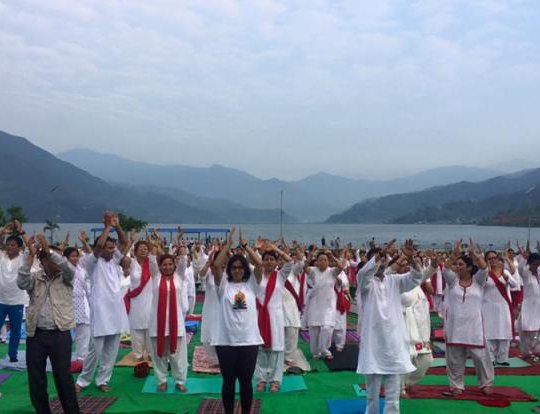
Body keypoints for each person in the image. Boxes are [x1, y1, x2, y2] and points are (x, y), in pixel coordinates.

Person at [356, 239, 428, 414]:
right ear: (370, 262)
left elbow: (416, 277)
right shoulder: (366, 283)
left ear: (387, 261)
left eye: (383, 259)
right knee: (372, 396)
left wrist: (411, 259)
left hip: (394, 344)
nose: (380, 262)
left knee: (393, 397)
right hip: (373, 345)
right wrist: (378, 257)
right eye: (376, 259)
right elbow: (364, 274)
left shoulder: (395, 281)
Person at [18, 233, 80, 414]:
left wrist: (48, 251)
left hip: (60, 334)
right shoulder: (35, 278)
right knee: (36, 378)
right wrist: (29, 257)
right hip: (35, 334)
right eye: (52, 259)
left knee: (63, 377)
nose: (58, 263)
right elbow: (21, 282)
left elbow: (67, 267)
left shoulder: (66, 277)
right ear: (43, 262)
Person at [76, 213, 129, 393]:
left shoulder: (114, 259)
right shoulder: (92, 261)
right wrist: (107, 226)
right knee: (94, 350)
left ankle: (103, 380)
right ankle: (83, 380)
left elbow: (125, 242)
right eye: (109, 247)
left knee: (111, 351)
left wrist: (117, 226)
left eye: (113, 247)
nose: (113, 250)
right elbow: (98, 246)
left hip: (116, 311)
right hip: (100, 313)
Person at [212, 228, 263, 414]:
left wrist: (245, 246)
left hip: (249, 340)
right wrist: (228, 245)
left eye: (241, 267)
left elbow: (259, 264)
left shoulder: (251, 284)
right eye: (234, 267)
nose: (237, 270)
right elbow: (216, 265)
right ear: (229, 270)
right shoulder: (223, 285)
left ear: (245, 269)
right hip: (226, 341)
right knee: (228, 381)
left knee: (246, 381)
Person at [442, 240, 494, 396]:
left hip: (474, 326)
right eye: (456, 265)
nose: (457, 267)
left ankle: (485, 383)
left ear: (470, 268)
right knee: (454, 358)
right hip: (455, 326)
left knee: (481, 357)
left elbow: (484, 268)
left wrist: (476, 255)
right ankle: (456, 385)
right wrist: (455, 254)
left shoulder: (478, 281)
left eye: (461, 265)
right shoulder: (452, 282)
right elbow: (446, 268)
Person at [246, 237, 293, 393]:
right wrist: (249, 248)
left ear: (276, 262)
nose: (269, 262)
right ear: (262, 261)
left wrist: (275, 248)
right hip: (259, 315)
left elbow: (290, 261)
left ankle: (275, 380)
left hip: (275, 317)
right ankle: (260, 379)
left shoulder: (280, 276)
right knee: (259, 349)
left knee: (277, 349)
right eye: (266, 259)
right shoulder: (256, 275)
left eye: (272, 260)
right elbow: (248, 261)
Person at [148, 253, 190, 392]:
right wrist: (152, 248)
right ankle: (162, 381)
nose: (167, 267)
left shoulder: (179, 277)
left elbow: (183, 263)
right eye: (164, 264)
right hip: (157, 324)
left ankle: (179, 381)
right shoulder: (155, 277)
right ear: (159, 266)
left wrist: (183, 250)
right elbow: (152, 260)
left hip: (176, 324)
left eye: (170, 264)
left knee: (178, 356)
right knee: (159, 356)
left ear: (174, 266)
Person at [304, 250, 347, 360]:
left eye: (325, 260)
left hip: (328, 304)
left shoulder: (332, 271)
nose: (323, 262)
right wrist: (309, 258)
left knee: (327, 327)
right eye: (320, 260)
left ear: (328, 261)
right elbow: (304, 268)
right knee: (314, 329)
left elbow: (341, 266)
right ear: (317, 262)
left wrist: (332, 255)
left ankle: (324, 350)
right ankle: (315, 352)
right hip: (315, 303)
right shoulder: (313, 271)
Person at [482, 251, 518, 365]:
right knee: (489, 332)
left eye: (494, 258)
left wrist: (504, 274)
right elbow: (480, 285)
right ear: (485, 260)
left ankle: (502, 359)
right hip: (488, 307)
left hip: (504, 306)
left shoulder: (505, 271)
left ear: (498, 259)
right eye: (489, 258)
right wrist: (486, 270)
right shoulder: (484, 273)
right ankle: (491, 358)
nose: (493, 260)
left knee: (504, 332)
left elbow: (514, 285)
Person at [0, 220, 29, 362]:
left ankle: (13, 355)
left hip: (17, 302)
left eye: (13, 245)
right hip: (0, 301)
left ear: (19, 247)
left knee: (16, 331)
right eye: (8, 244)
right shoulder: (1, 256)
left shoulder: (23, 258)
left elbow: (30, 246)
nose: (9, 247)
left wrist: (21, 231)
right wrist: (3, 232)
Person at [124, 237, 153, 362]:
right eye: (140, 249)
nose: (143, 251)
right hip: (135, 300)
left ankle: (152, 353)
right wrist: (129, 242)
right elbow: (121, 258)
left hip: (150, 299)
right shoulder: (131, 263)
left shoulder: (152, 263)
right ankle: (138, 354)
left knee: (150, 327)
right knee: (136, 328)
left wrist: (153, 243)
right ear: (135, 251)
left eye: (146, 249)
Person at [64, 242, 91, 362]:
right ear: (66, 258)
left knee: (83, 331)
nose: (75, 258)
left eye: (76, 256)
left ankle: (82, 357)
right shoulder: (63, 269)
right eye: (72, 256)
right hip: (67, 302)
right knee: (65, 333)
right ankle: (64, 356)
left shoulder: (82, 268)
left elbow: (91, 256)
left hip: (82, 302)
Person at [517, 244, 540, 357]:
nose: (536, 266)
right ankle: (526, 352)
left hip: (538, 305)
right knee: (525, 328)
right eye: (534, 264)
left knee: (537, 328)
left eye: (538, 264)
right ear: (530, 263)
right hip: (528, 304)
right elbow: (520, 268)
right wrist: (524, 258)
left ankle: (536, 349)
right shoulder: (526, 273)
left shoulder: (539, 273)